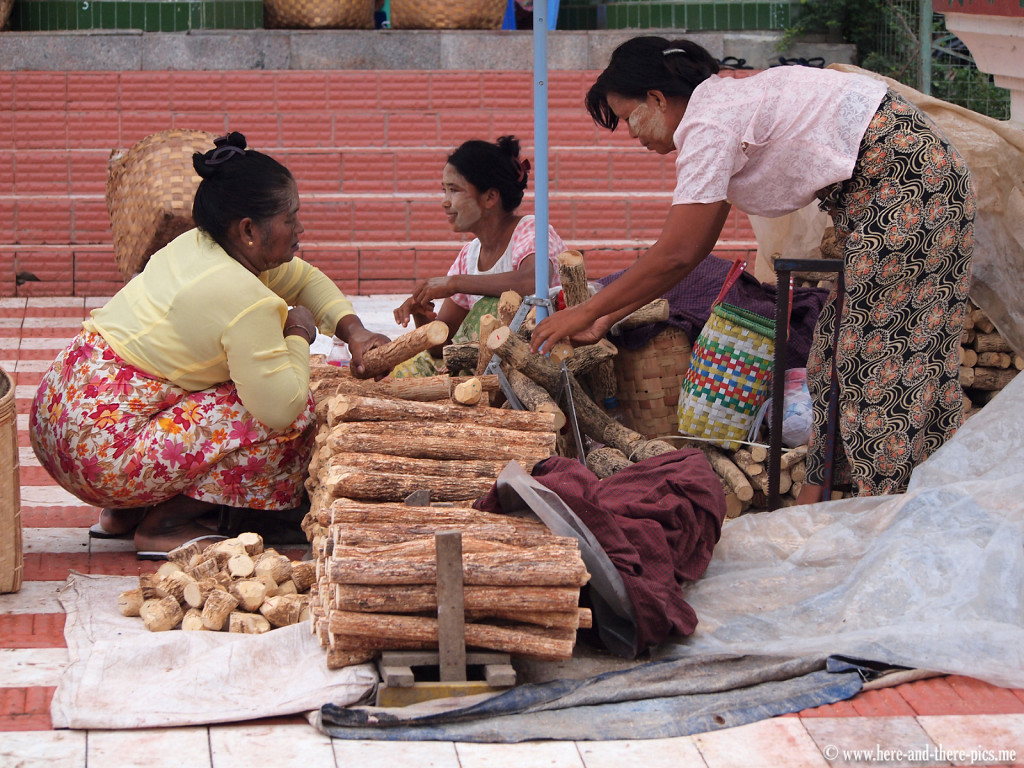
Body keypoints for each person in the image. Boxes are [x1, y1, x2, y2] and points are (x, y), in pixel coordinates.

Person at [530, 36, 975, 501]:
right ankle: (825, 505)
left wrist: (586, 312)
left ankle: (890, 510)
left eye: (628, 118)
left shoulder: (709, 122)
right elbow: (694, 249)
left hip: (911, 184)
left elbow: (677, 252)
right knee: (835, 354)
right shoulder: (720, 110)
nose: (632, 134)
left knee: (877, 363)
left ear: (657, 99)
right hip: (911, 180)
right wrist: (606, 317)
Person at [29, 132, 390, 557]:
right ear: (249, 229)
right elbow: (283, 408)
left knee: (215, 382)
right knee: (291, 416)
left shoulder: (198, 245)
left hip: (57, 418)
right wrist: (298, 333)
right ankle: (165, 524)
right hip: (100, 456)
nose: (300, 229)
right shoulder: (244, 299)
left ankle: (124, 514)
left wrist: (354, 332)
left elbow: (304, 278)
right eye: (290, 219)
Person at [393, 136, 567, 364]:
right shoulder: (469, 256)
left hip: (542, 362)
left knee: (490, 304)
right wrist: (419, 312)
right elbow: (443, 349)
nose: (445, 201)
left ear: (490, 197)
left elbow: (533, 282)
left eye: (454, 190)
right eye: (444, 190)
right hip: (487, 371)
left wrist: (455, 283)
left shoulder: (532, 231)